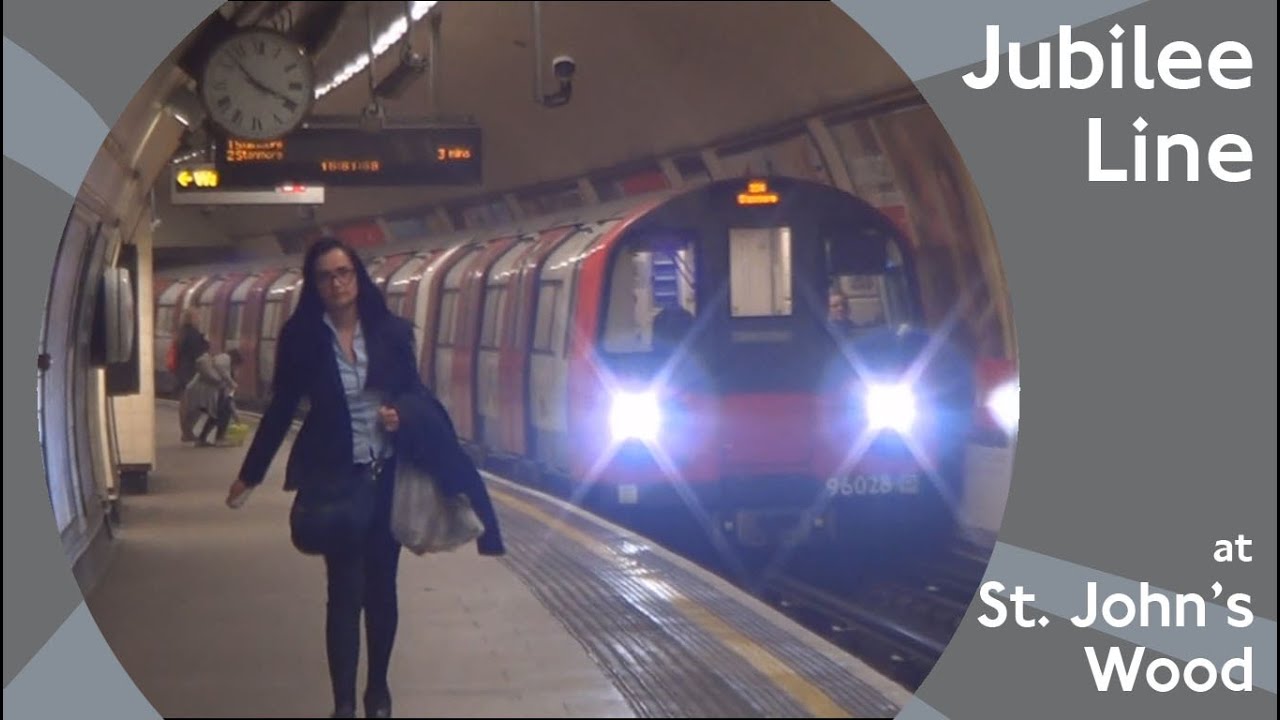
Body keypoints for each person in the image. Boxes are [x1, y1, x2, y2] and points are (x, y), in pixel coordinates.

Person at [224, 238, 504, 719]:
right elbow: (282, 408)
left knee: (382, 589)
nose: (337, 284)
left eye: (344, 273)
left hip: (387, 477)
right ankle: (344, 704)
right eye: (326, 276)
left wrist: (404, 416)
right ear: (314, 285)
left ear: (357, 277)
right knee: (342, 593)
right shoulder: (303, 339)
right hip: (335, 478)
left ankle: (378, 691)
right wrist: (251, 474)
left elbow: (415, 391)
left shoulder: (390, 332)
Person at [191, 349, 244, 447]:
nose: (237, 369)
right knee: (223, 413)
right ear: (235, 361)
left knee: (214, 416)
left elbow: (229, 397)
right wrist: (231, 382)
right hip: (214, 395)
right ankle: (219, 439)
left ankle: (202, 439)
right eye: (237, 365)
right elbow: (229, 396)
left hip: (207, 395)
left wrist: (235, 414)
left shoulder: (221, 369)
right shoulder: (226, 366)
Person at [175, 309, 208, 441]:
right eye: (197, 317)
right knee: (199, 404)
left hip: (182, 371)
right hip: (192, 372)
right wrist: (205, 342)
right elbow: (198, 354)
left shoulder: (181, 333)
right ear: (193, 319)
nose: (199, 319)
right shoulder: (193, 334)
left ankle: (186, 432)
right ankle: (188, 432)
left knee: (184, 403)